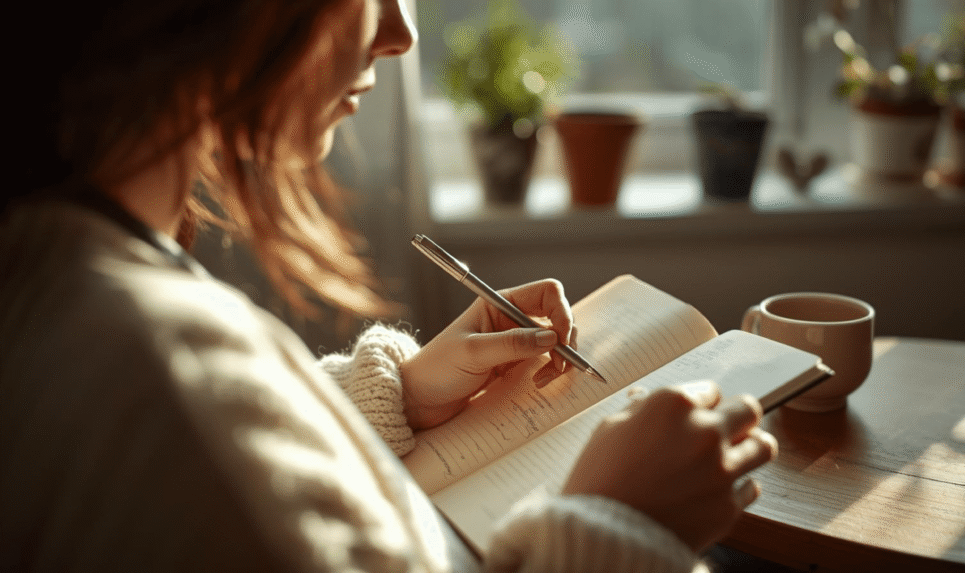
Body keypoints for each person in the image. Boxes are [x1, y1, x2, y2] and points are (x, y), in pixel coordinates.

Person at [0, 1, 778, 571]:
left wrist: (391, 395)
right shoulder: (158, 362)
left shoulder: (60, 270)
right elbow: (199, 438)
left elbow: (228, 496)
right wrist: (616, 525)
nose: (401, 33)